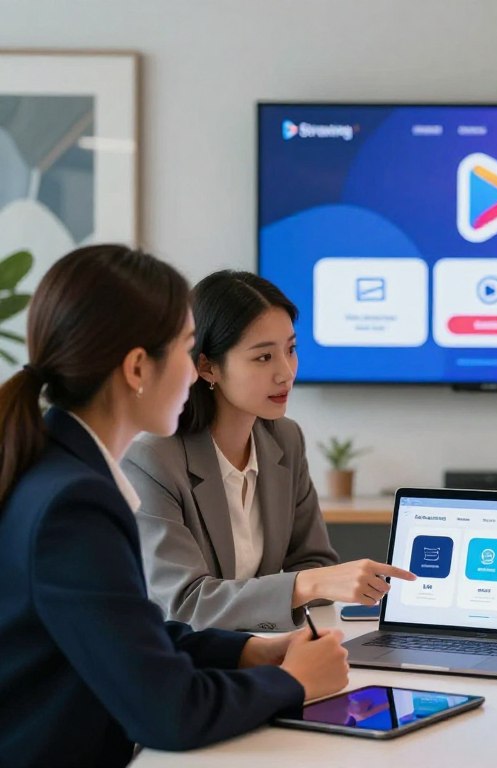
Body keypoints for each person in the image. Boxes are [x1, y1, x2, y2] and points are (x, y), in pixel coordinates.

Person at [0, 246, 349, 768]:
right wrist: (293, 682)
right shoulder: (74, 503)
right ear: (139, 367)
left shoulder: (59, 468)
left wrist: (246, 652)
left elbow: (123, 632)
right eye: (188, 351)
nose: (194, 372)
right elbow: (169, 712)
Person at [124, 270, 414, 631]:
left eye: (290, 350)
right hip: (186, 665)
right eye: (263, 358)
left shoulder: (285, 440)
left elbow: (313, 561)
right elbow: (184, 605)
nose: (286, 373)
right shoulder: (153, 460)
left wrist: (315, 582)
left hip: (261, 649)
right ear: (206, 365)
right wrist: (307, 585)